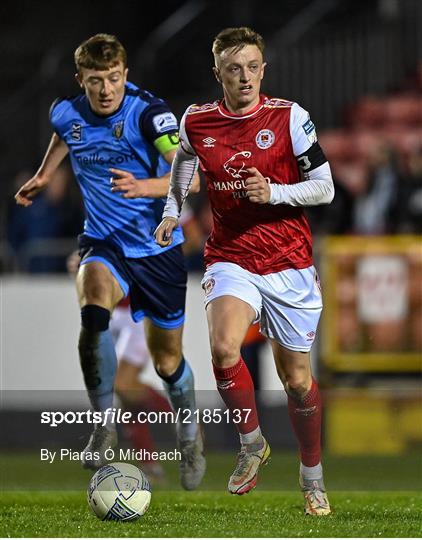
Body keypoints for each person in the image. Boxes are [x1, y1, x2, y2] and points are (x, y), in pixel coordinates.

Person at [14, 33, 205, 490]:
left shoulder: (149, 113)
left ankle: (190, 434)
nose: (106, 90)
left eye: (114, 79)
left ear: (126, 74)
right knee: (93, 307)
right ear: (80, 79)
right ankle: (104, 426)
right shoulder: (66, 110)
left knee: (167, 362)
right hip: (105, 241)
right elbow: (66, 136)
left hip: (158, 247)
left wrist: (146, 187)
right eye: (96, 81)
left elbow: (190, 177)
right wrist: (45, 175)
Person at [155, 27, 334, 515]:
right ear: (218, 74)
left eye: (253, 66)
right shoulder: (197, 121)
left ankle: (311, 475)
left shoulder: (289, 118)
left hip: (290, 262)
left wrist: (274, 192)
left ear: (263, 69)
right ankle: (252, 443)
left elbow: (325, 188)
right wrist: (172, 210)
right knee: (222, 345)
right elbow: (183, 166)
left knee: (297, 380)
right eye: (234, 68)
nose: (245, 76)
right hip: (231, 255)